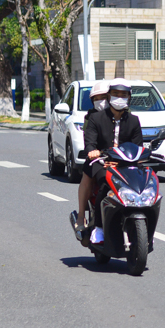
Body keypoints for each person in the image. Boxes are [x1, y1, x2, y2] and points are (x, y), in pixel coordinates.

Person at [82, 78, 142, 245]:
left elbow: (138, 147)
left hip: (126, 166)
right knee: (105, 185)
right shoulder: (96, 118)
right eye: (115, 94)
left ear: (129, 97)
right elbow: (90, 142)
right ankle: (99, 228)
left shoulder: (134, 121)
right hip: (102, 164)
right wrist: (93, 152)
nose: (119, 98)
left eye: (123, 95)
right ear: (109, 96)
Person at [73, 79, 110, 234]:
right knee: (88, 175)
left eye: (103, 97)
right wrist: (93, 152)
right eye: (96, 99)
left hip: (121, 159)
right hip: (99, 158)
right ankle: (81, 216)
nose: (100, 101)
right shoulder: (91, 118)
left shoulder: (126, 116)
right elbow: (89, 141)